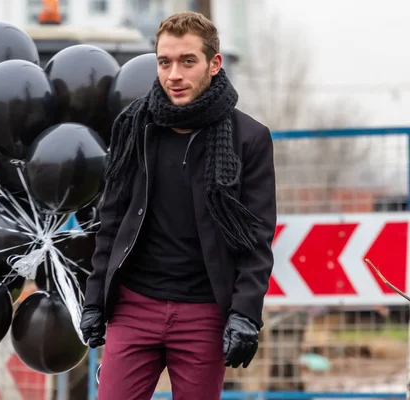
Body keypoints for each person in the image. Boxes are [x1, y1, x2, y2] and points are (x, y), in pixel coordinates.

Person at [80, 11, 277, 400]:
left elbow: (257, 240)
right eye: (164, 62)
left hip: (204, 313)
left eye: (188, 61)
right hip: (134, 307)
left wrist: (245, 314)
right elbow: (112, 220)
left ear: (214, 64)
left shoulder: (249, 139)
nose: (174, 74)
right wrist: (95, 299)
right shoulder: (134, 127)